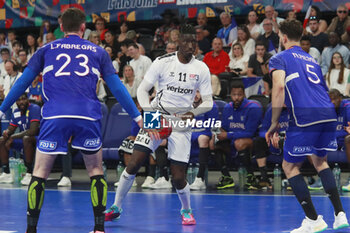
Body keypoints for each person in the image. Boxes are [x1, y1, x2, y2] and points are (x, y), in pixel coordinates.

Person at [0, 8, 142, 233]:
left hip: (55, 114)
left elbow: (22, 83)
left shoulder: (46, 49)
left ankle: (31, 230)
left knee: (39, 172)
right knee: (96, 170)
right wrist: (136, 115)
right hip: (88, 114)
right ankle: (98, 229)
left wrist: (2, 109)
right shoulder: (98, 51)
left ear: (61, 28)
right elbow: (116, 86)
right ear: (84, 28)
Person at [105, 24, 213, 225]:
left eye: (194, 43)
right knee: (134, 162)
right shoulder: (162, 62)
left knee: (178, 176)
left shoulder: (201, 68)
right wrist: (148, 115)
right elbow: (142, 91)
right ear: (178, 43)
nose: (191, 46)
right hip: (157, 113)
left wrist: (193, 112)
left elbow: (208, 102)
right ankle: (116, 206)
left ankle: (186, 210)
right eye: (187, 42)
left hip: (181, 121)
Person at [266, 19, 349, 232]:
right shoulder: (311, 59)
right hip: (328, 113)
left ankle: (313, 220)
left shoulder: (279, 58)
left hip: (306, 117)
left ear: (283, 38)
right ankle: (340, 215)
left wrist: (274, 123)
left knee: (289, 166)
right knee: (320, 161)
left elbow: (278, 88)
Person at [215, 81, 263, 190]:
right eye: (234, 95)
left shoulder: (253, 107)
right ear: (230, 95)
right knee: (214, 144)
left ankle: (251, 177)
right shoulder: (228, 107)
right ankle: (226, 177)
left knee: (239, 143)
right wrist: (218, 133)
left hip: (252, 141)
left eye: (239, 95)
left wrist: (228, 135)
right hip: (232, 139)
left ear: (244, 95)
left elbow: (249, 133)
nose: (236, 98)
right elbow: (224, 127)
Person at [0, 93, 40, 185]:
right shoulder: (16, 112)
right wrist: (6, 133)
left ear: (28, 100)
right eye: (18, 100)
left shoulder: (34, 109)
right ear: (16, 102)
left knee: (27, 138)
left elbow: (33, 131)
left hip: (39, 139)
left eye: (23, 99)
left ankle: (29, 174)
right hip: (24, 140)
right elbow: (11, 129)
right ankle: (6, 173)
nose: (21, 102)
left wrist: (12, 136)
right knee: (2, 140)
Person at [253, 103, 289, 189]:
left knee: (289, 142)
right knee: (258, 141)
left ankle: (290, 178)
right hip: (273, 142)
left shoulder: (296, 110)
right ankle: (264, 178)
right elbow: (263, 130)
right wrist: (271, 135)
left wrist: (285, 136)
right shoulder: (271, 111)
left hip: (290, 141)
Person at [189, 91, 218, 190]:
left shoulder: (210, 105)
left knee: (202, 138)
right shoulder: (183, 105)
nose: (195, 95)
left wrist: (213, 137)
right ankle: (168, 178)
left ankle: (200, 178)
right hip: (189, 134)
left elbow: (214, 127)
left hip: (204, 134)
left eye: (198, 91)